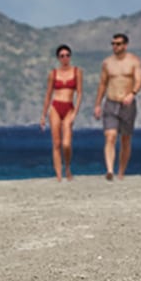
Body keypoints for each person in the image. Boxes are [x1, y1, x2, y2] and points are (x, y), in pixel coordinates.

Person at [94, 32, 141, 180]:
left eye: (118, 44)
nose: (115, 46)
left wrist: (132, 93)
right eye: (113, 44)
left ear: (125, 45)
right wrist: (97, 104)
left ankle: (121, 172)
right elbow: (102, 84)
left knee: (125, 139)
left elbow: (139, 81)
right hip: (111, 102)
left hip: (127, 104)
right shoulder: (107, 63)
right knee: (110, 136)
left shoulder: (134, 61)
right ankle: (109, 170)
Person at [39, 45, 83, 181]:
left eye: (67, 55)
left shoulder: (77, 72)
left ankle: (67, 167)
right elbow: (48, 94)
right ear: (58, 58)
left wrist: (75, 112)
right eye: (62, 56)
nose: (65, 58)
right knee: (57, 143)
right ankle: (58, 175)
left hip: (69, 107)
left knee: (66, 144)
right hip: (55, 107)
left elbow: (80, 93)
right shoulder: (53, 74)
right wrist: (43, 115)